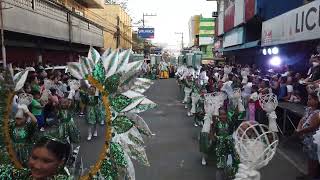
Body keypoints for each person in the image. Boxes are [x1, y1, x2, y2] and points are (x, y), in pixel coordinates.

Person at [296, 92, 320, 179]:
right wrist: (299, 128)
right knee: (310, 158)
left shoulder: (318, 113)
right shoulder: (309, 109)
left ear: (317, 101)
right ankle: (309, 174)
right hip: (306, 137)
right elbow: (303, 119)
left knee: (314, 159)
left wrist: (300, 131)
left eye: (310, 99)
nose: (308, 100)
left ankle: (311, 176)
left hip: (313, 140)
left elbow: (312, 127)